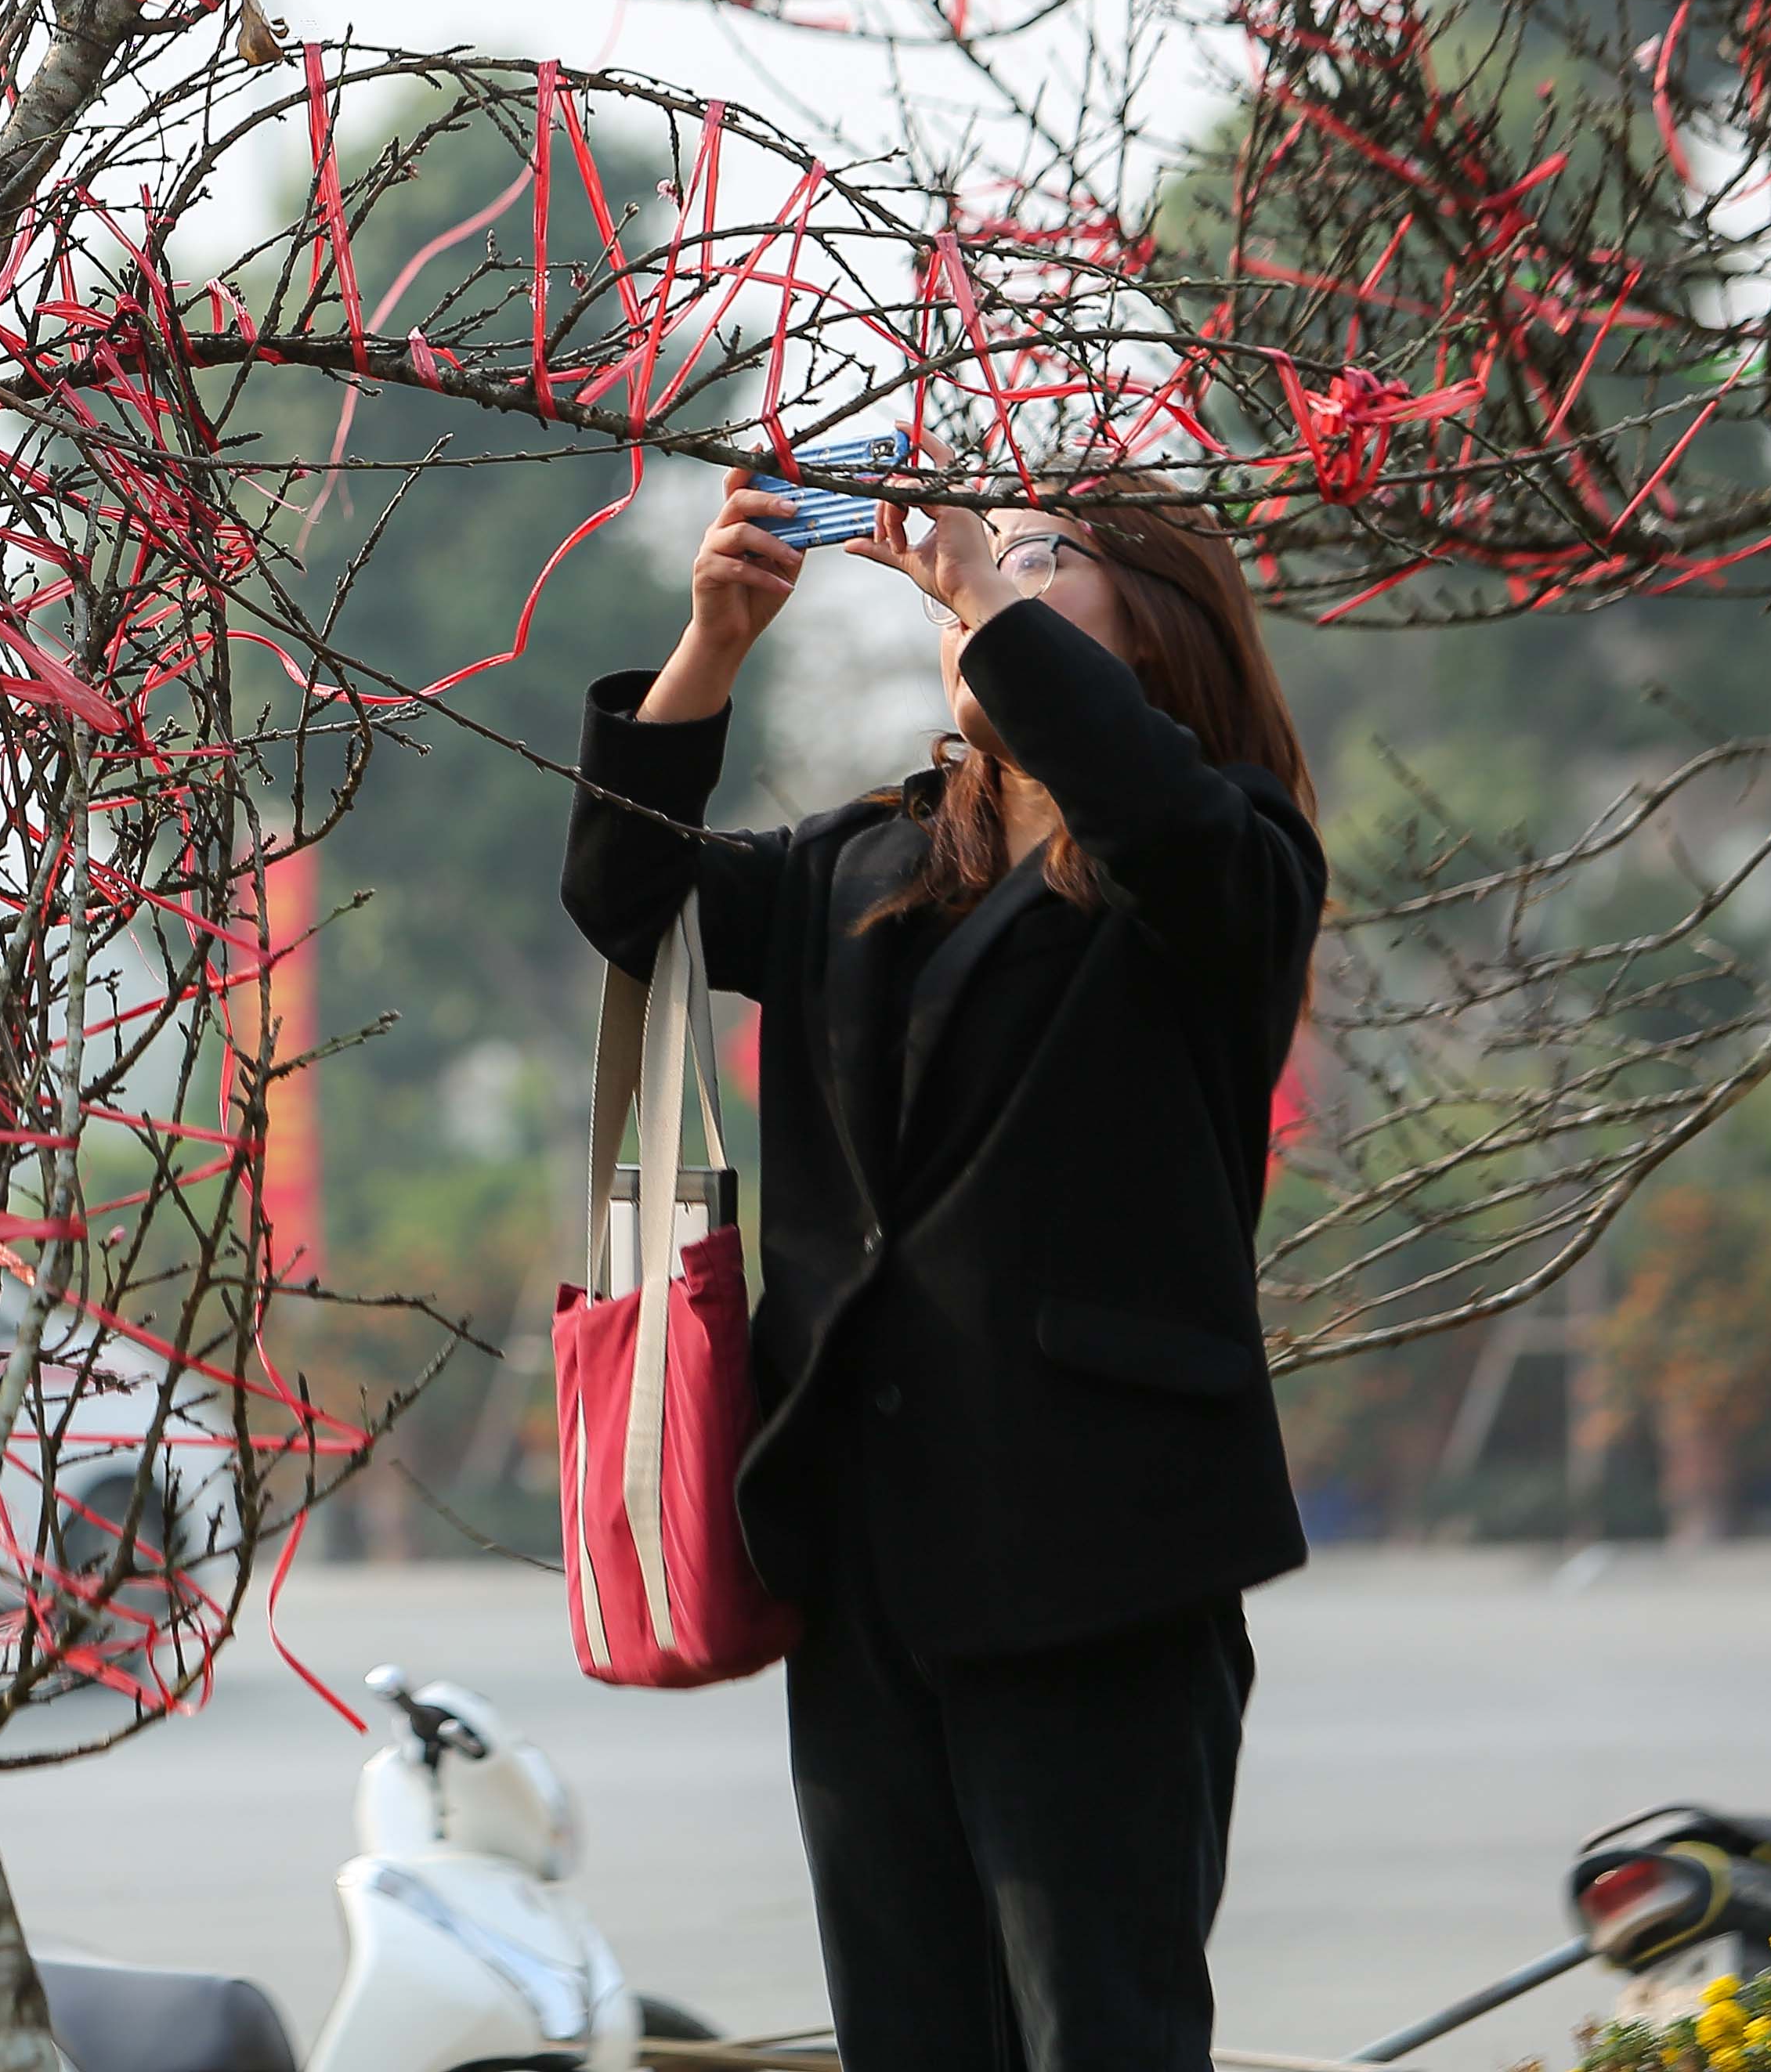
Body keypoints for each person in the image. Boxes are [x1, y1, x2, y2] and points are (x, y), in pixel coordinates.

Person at [559, 483, 1322, 2072]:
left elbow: (1157, 814)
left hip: (1099, 1559)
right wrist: (712, 644)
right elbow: (632, 900)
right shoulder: (873, 864)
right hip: (864, 1565)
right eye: (984, 556)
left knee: (1098, 2031)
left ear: (1155, 633)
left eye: (1045, 560)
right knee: (908, 2039)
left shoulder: (1226, 867)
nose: (975, 575)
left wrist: (994, 604)